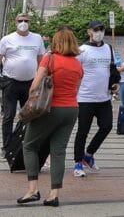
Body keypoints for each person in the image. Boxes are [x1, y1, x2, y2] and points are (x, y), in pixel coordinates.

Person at [17, 27, 83, 207]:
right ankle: (53, 195)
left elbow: (34, 86)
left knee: (29, 146)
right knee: (58, 151)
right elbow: (76, 89)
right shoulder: (77, 64)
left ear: (56, 42)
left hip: (50, 109)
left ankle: (33, 190)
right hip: (71, 110)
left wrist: (30, 104)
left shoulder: (50, 58)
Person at [73, 20, 116, 177]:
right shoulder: (81, 50)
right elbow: (74, 72)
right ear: (89, 31)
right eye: (96, 30)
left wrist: (115, 83)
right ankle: (78, 163)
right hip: (85, 98)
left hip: (104, 98)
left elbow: (112, 69)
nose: (99, 32)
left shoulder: (108, 49)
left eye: (102, 29)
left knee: (107, 126)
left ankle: (89, 154)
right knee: (83, 131)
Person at [0, 12, 46, 152]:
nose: (23, 23)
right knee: (9, 115)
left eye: (26, 20)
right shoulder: (7, 39)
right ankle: (7, 146)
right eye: (20, 20)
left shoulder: (37, 38)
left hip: (30, 83)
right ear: (16, 22)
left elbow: (41, 60)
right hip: (10, 82)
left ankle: (23, 143)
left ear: (30, 22)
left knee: (29, 114)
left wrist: (41, 78)